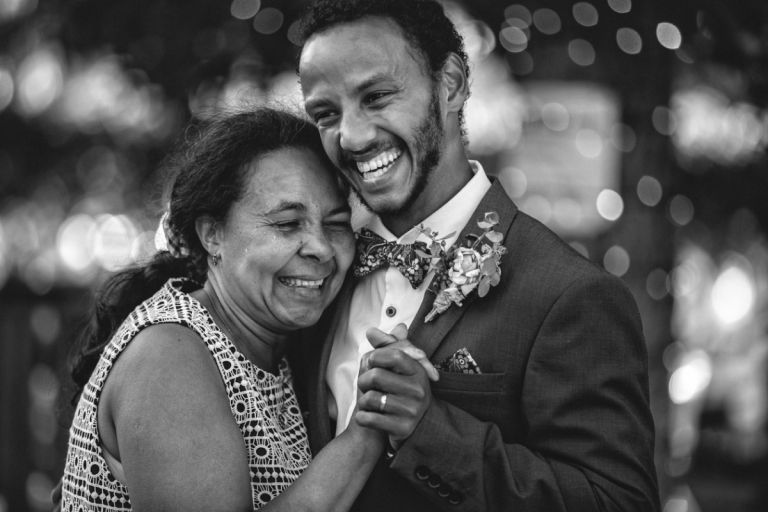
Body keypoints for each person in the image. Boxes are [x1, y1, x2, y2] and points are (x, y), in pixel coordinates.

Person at [295, 0, 661, 510]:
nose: (352, 137)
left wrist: (431, 431)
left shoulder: (570, 295)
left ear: (450, 84)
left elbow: (619, 502)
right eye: (326, 114)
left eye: (376, 97)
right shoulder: (318, 277)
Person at [59, 107, 436, 511]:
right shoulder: (168, 355)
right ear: (213, 234)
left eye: (335, 224)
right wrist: (367, 428)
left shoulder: (281, 343)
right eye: (287, 224)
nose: (321, 248)